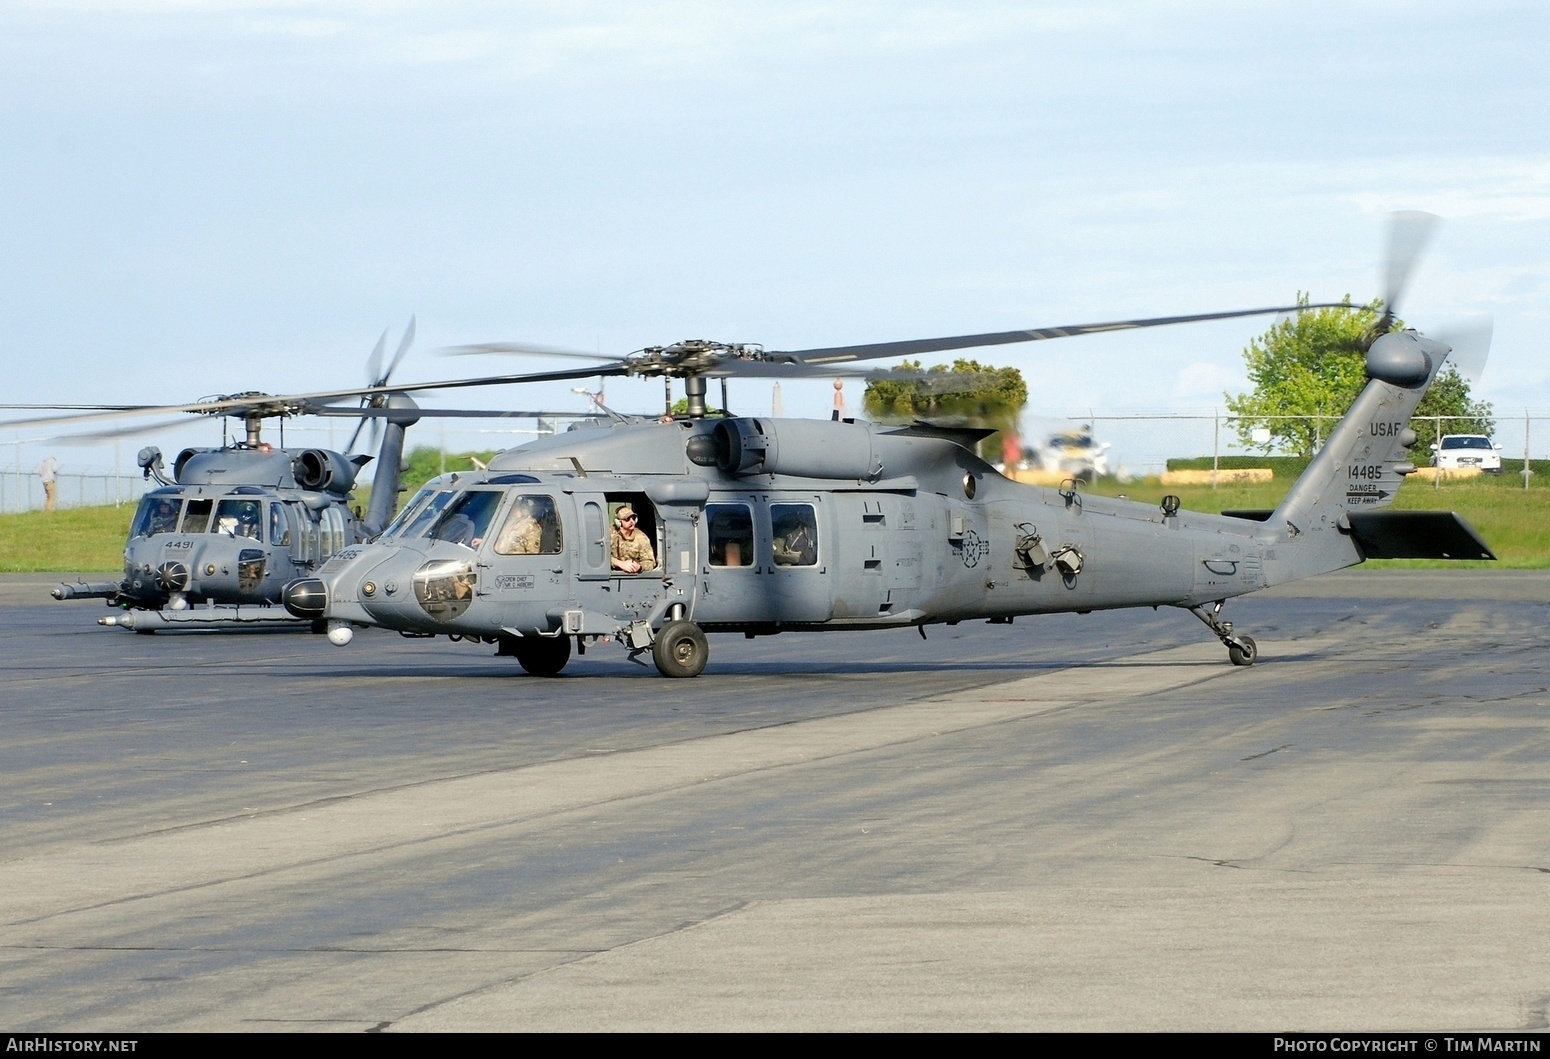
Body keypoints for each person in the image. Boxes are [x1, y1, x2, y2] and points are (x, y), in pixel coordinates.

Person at [610, 504, 656, 573]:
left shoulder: (641, 537)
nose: (632, 521)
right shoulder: (609, 534)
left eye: (633, 518)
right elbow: (598, 557)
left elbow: (650, 562)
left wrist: (639, 566)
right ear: (618, 522)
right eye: (627, 519)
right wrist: (619, 563)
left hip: (631, 577)